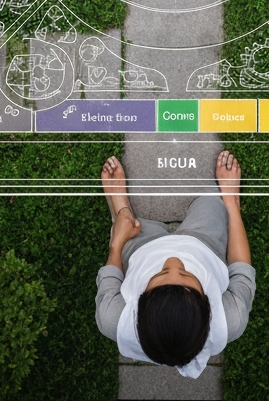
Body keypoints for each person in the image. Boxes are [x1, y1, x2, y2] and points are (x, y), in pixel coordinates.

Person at [95, 150, 256, 379]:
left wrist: (118, 240)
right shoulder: (231, 319)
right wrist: (231, 201)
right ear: (208, 305)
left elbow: (112, 274)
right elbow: (241, 268)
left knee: (126, 225)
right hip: (204, 245)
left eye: (161, 274)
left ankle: (121, 212)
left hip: (141, 250)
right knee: (213, 203)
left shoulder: (113, 318)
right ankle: (230, 202)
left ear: (138, 301)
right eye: (186, 275)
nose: (173, 260)